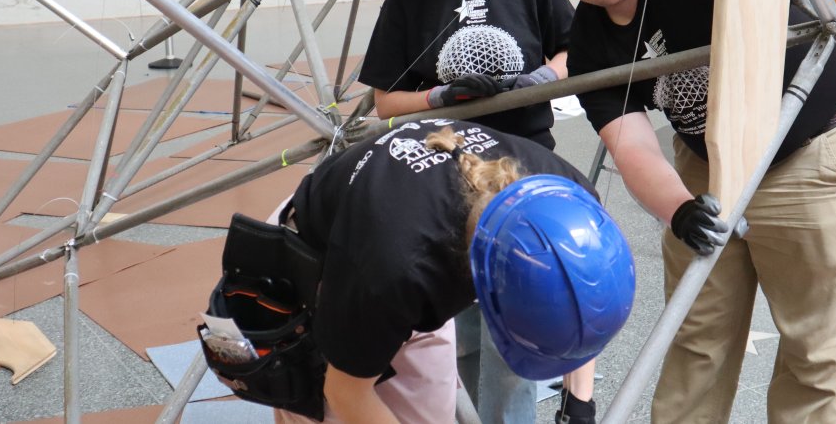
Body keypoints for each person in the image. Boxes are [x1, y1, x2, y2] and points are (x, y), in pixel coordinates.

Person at [511, 0, 836, 424]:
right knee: (697, 339)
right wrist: (679, 209)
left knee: (813, 348)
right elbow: (631, 146)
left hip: (807, 155)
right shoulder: (593, 44)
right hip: (707, 168)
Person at [358, 0, 576, 422]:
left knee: (516, 326)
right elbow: (385, 102)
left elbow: (571, 50)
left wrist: (540, 80)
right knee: (460, 330)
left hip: (522, 169)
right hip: (447, 181)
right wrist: (438, 96)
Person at [256, 119, 634, 424]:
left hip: (402, 246)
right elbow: (345, 392)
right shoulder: (399, 268)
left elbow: (581, 306)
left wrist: (579, 406)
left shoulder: (568, 198)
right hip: (315, 262)